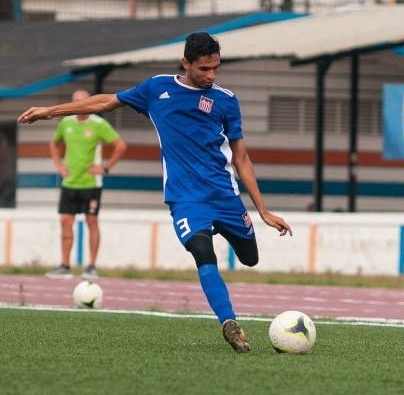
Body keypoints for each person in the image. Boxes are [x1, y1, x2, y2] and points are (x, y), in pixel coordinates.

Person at [17, 33, 292, 353]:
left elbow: (241, 157)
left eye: (216, 68)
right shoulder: (156, 89)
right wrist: (51, 111)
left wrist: (263, 210)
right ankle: (228, 322)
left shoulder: (226, 101)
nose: (211, 75)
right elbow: (104, 101)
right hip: (185, 199)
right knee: (203, 253)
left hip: (225, 197)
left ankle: (234, 240)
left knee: (250, 258)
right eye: (204, 69)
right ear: (186, 63)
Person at [46, 89, 127, 280]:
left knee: (92, 222)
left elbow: (120, 146)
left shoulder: (99, 124)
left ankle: (91, 266)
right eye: (76, 102)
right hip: (69, 182)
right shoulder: (65, 122)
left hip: (91, 183)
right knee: (66, 222)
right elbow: (53, 143)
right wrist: (59, 165)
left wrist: (106, 168)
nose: (80, 106)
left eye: (83, 102)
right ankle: (65, 265)